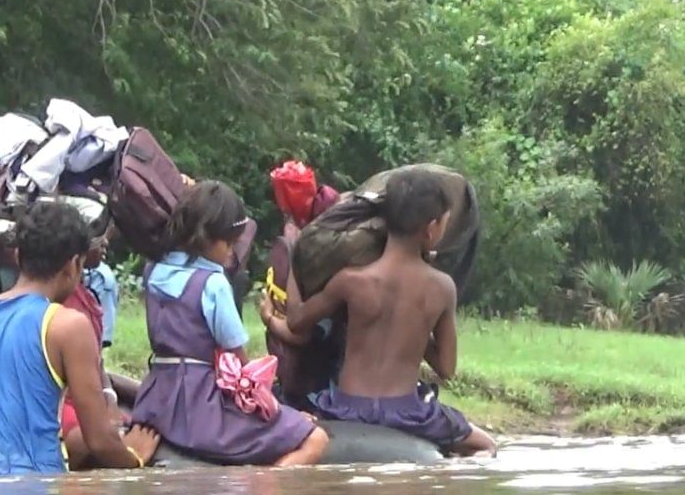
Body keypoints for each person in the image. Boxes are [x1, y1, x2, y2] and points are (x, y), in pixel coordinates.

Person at [286, 167, 496, 457]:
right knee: (487, 446)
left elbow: (296, 321)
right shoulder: (442, 287)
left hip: (347, 408)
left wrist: (296, 260)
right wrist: (416, 330)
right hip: (408, 414)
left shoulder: (351, 280)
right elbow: (446, 368)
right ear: (432, 228)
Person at [0, 201, 160, 477]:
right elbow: (99, 441)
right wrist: (135, 458)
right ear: (74, 264)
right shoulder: (67, 325)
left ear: (19, 256)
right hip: (36, 494)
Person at [132, 181, 329, 466]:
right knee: (315, 439)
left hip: (156, 400)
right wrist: (278, 412)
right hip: (200, 408)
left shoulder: (152, 271)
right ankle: (260, 494)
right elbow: (239, 368)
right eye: (229, 242)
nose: (231, 251)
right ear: (206, 238)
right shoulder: (212, 284)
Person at [259, 160, 342, 408]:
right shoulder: (315, 242)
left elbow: (303, 335)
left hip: (318, 385)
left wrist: (269, 319)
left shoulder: (318, 261)